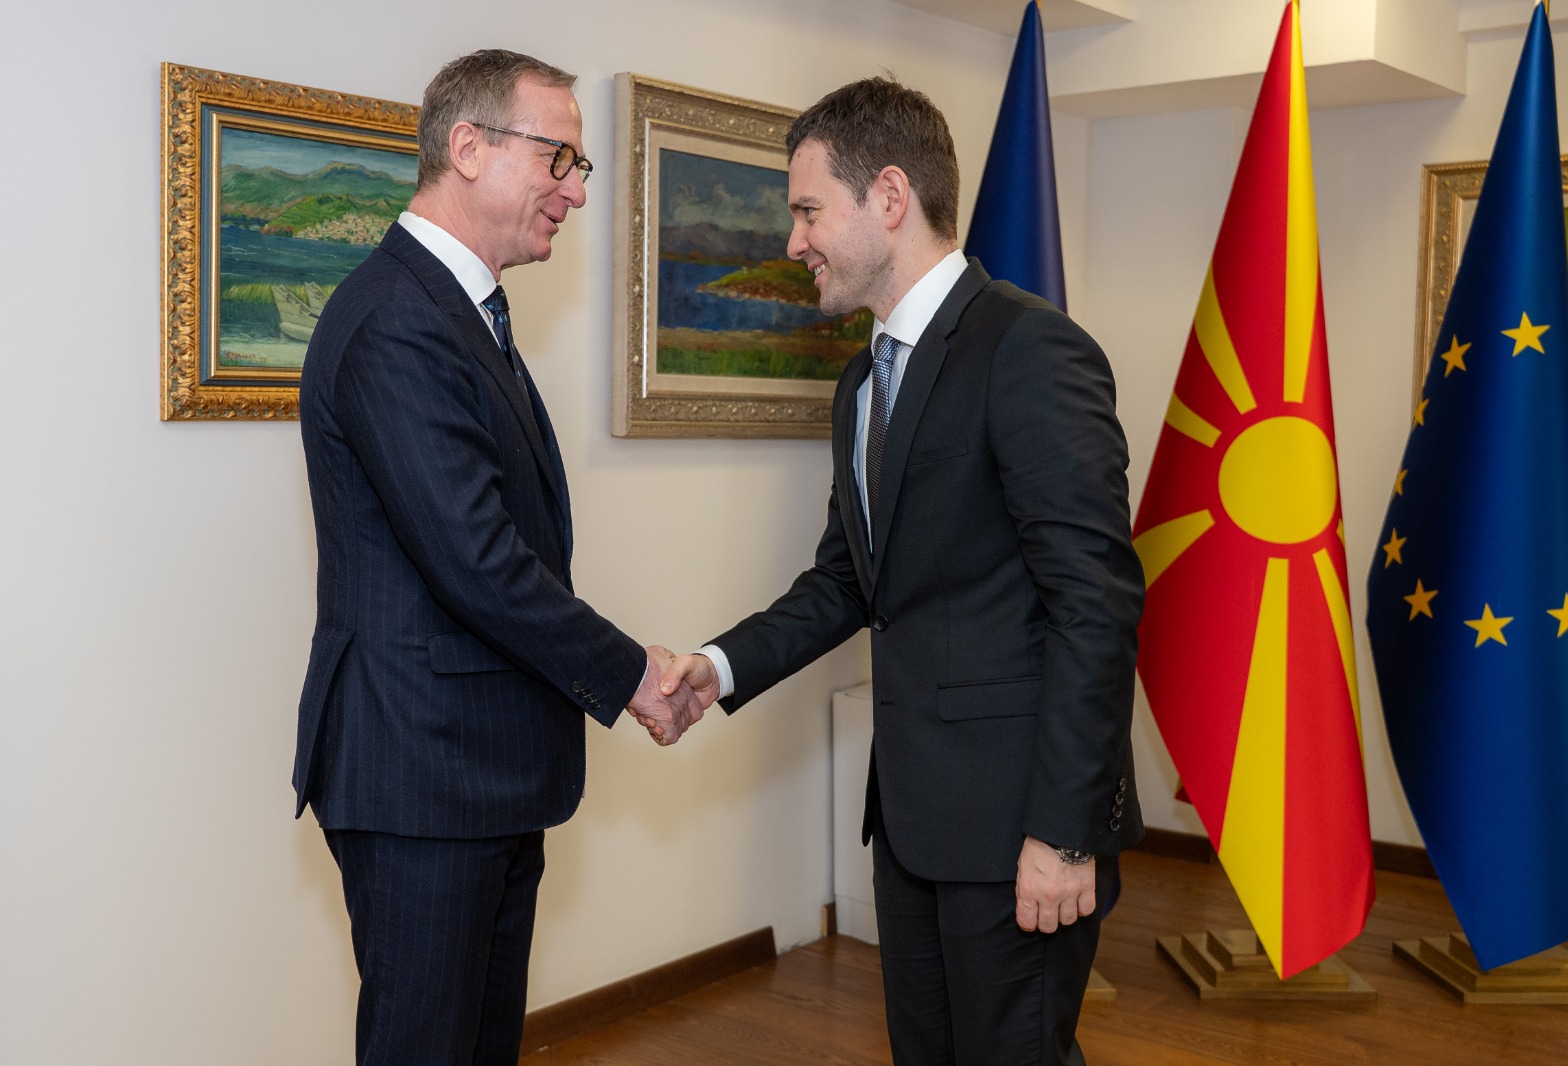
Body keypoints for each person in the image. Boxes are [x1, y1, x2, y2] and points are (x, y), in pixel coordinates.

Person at [659, 77, 1145, 1065]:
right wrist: (719, 665)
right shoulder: (861, 382)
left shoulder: (1029, 349)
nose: (793, 241)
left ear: (888, 196)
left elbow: (1094, 607)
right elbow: (848, 581)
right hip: (914, 824)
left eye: (807, 211)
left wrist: (1064, 835)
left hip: (1020, 826)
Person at [293, 49, 699, 1066]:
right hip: (422, 774)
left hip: (478, 770)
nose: (575, 190)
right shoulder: (397, 320)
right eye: (558, 157)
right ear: (467, 147)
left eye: (579, 166)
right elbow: (479, 561)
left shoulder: (455, 308)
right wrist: (632, 675)